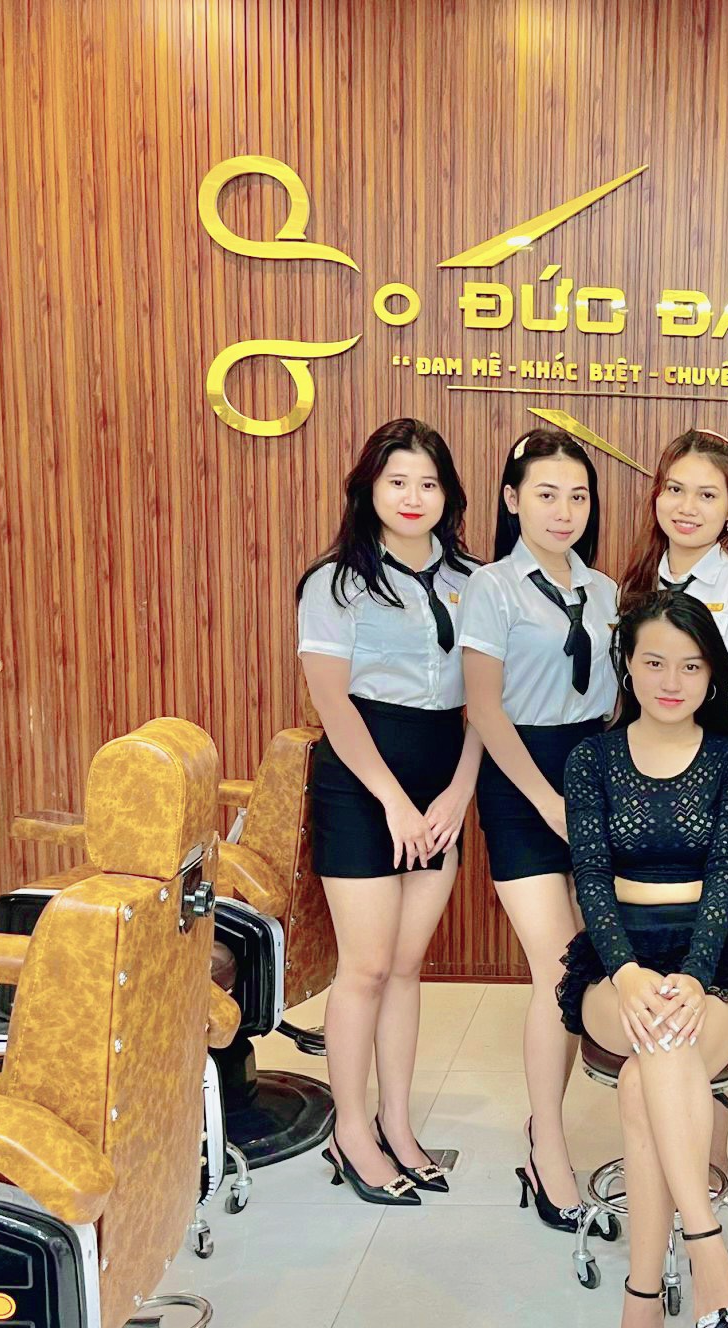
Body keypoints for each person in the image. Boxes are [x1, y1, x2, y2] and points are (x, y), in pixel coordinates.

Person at [556, 591, 728, 1328]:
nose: (672, 680)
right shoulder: (591, 759)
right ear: (628, 665)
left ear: (712, 674)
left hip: (713, 959)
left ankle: (641, 1308)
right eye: (654, 662)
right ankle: (705, 1247)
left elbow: (723, 879)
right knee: (657, 1046)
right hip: (615, 962)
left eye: (690, 665)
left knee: (656, 1068)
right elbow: (589, 879)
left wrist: (695, 974)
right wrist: (629, 973)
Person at [296, 418, 483, 1205]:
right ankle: (351, 1132)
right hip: (361, 782)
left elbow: (488, 704)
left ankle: (399, 1126)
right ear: (368, 488)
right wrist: (396, 802)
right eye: (398, 481)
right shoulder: (334, 583)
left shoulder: (476, 583)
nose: (413, 497)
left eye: (428, 483)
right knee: (367, 967)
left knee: (408, 968)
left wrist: (458, 793)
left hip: (443, 781)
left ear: (448, 495)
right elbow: (333, 705)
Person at [459, 427, 620, 1236]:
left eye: (578, 496)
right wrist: (550, 800)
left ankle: (550, 1130)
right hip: (522, 781)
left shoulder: (605, 590)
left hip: (595, 773)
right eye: (546, 494)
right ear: (512, 499)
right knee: (557, 968)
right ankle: (546, 1146)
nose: (564, 511)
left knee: (589, 961)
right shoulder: (490, 588)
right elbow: (484, 709)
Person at [617, 429, 728, 1181]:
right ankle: (659, 1147)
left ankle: (709, 1150)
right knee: (646, 976)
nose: (688, 506)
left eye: (707, 494)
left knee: (715, 971)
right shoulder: (630, 584)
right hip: (642, 794)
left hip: (724, 792)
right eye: (676, 489)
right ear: (656, 496)